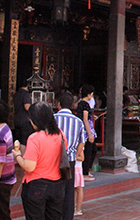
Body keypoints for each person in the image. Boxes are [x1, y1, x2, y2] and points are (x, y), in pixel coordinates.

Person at [13, 102, 67, 220]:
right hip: (57, 185)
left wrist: (17, 156)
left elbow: (29, 166)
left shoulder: (35, 138)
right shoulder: (60, 134)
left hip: (36, 185)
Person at [55, 92, 86, 220]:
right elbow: (82, 140)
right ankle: (67, 216)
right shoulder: (78, 121)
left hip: (55, 158)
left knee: (55, 187)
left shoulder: (53, 118)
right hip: (71, 159)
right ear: (73, 104)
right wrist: (76, 152)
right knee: (68, 190)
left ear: (58, 104)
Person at [76, 85, 99, 181]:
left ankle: (86, 170)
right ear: (89, 94)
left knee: (92, 149)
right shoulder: (85, 104)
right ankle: (84, 173)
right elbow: (85, 119)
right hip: (86, 131)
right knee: (89, 150)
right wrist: (89, 134)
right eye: (92, 94)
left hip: (84, 129)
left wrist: (92, 117)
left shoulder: (80, 104)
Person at [13, 80, 32, 153]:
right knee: (24, 140)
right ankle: (22, 159)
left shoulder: (16, 94)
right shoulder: (25, 94)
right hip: (25, 120)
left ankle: (16, 157)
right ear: (27, 85)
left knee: (17, 139)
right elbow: (27, 107)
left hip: (17, 118)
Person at [74, 146, 85, 216]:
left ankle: (78, 209)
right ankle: (74, 207)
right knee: (74, 189)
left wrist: (73, 157)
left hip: (77, 169)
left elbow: (82, 158)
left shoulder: (79, 147)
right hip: (74, 168)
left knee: (79, 188)